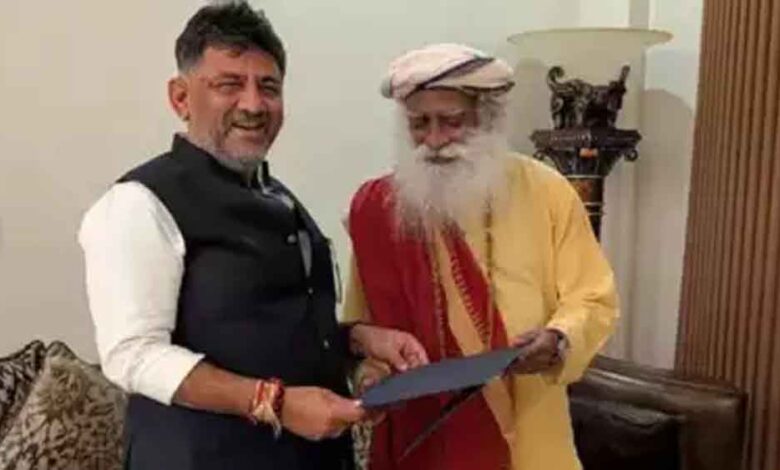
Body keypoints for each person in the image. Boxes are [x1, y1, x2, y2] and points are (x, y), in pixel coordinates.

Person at [78, 3, 427, 470]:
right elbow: (133, 356)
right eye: (229, 85)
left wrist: (357, 343)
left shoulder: (280, 199)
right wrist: (276, 403)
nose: (253, 105)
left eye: (269, 87)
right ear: (180, 98)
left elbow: (270, 324)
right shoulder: (138, 204)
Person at [343, 43, 619, 470]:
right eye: (419, 123)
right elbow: (359, 326)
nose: (434, 140)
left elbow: (594, 298)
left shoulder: (547, 191)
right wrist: (369, 373)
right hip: (421, 440)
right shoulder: (377, 209)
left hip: (529, 441)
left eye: (452, 121)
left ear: (487, 118)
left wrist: (559, 338)